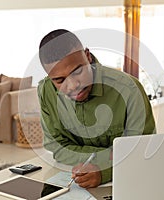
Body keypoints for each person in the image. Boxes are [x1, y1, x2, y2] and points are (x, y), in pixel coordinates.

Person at [38, 29, 156, 188]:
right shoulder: (45, 91)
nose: (73, 86)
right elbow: (56, 147)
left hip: (128, 184)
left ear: (87, 56)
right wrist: (111, 155)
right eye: (59, 80)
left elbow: (143, 152)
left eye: (78, 71)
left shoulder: (130, 89)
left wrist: (104, 172)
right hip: (72, 182)